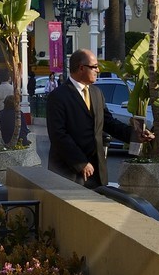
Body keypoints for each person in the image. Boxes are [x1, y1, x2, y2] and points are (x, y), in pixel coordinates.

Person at [46, 48, 151, 188]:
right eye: (94, 66)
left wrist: (136, 135)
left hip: (97, 172)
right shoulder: (58, 96)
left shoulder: (96, 93)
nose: (98, 70)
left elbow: (108, 122)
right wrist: (80, 163)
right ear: (81, 68)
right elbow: (58, 135)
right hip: (68, 172)